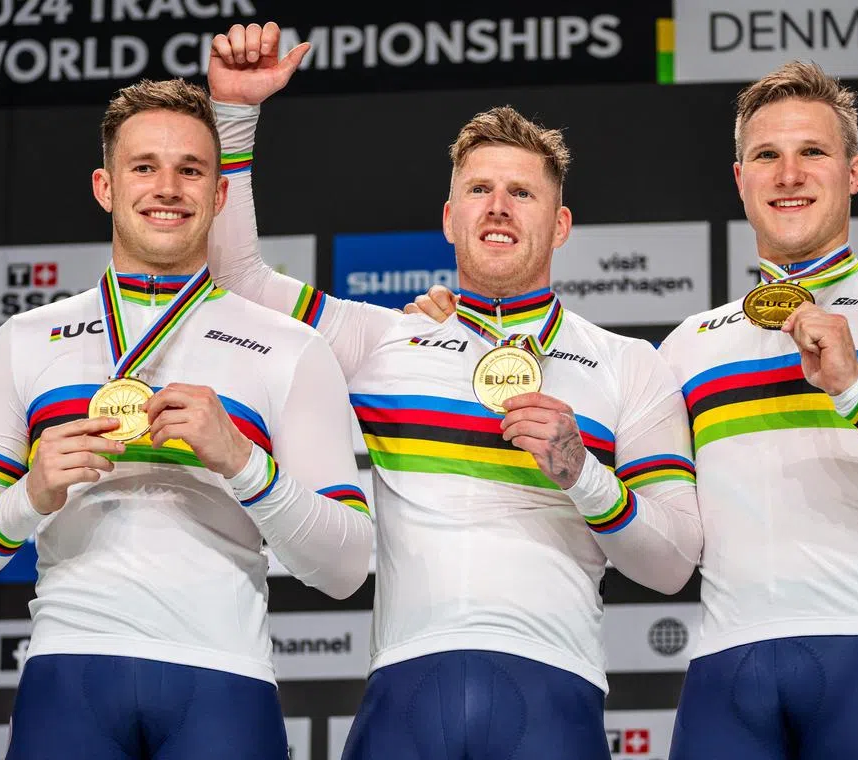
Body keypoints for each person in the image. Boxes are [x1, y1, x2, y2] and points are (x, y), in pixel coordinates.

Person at [412, 61, 858, 759]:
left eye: (813, 153)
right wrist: (462, 323)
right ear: (740, 178)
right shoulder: (688, 346)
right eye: (766, 155)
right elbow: (668, 533)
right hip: (726, 670)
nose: (788, 174)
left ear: (854, 172)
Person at [205, 22, 702, 760]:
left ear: (560, 224)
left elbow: (672, 565)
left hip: (554, 692)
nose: (498, 206)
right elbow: (237, 284)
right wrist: (233, 117)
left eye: (522, 193)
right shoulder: (382, 339)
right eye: (479, 190)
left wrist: (584, 475)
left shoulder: (629, 364)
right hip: (405, 689)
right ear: (449, 218)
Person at [0, 79, 373, 760]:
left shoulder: (290, 346)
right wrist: (28, 497)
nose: (168, 187)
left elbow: (345, 566)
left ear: (219, 195)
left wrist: (244, 464)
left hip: (224, 683)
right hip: (68, 677)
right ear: (105, 186)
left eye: (190, 170)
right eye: (144, 167)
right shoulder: (24, 338)